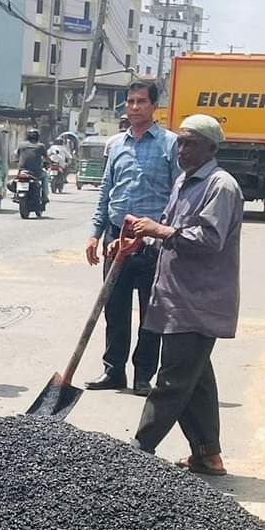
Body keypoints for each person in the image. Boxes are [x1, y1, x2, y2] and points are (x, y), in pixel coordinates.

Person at [123, 114, 243, 476]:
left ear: (211, 147)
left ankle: (137, 452)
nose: (183, 149)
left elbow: (208, 240)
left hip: (198, 301)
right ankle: (207, 454)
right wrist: (140, 241)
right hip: (176, 297)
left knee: (173, 380)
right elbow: (168, 233)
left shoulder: (220, 187)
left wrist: (159, 230)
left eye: (191, 143)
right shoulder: (183, 182)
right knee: (197, 380)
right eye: (180, 141)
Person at [86, 81, 179, 396]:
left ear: (154, 107)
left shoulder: (170, 145)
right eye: (130, 102)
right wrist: (94, 234)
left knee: (150, 311)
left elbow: (178, 197)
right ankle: (114, 371)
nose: (135, 107)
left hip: (152, 243)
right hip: (117, 240)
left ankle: (143, 375)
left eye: (141, 102)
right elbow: (105, 191)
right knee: (114, 307)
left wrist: (158, 231)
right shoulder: (116, 145)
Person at [15, 128, 50, 202]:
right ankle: (45, 196)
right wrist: (51, 163)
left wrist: (17, 160)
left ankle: (16, 194)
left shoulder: (21, 145)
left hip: (22, 171)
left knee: (17, 179)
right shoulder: (40, 146)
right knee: (45, 176)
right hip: (36, 172)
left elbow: (17, 155)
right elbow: (47, 158)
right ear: (37, 137)